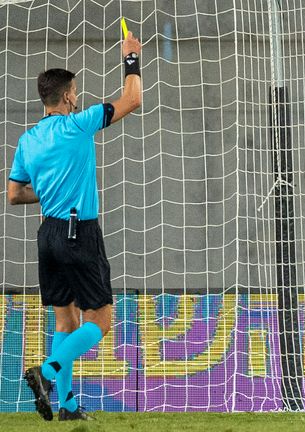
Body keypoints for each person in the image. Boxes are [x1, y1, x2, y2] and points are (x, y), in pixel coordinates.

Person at [8, 32, 142, 421]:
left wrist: (49, 193)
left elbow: (14, 195)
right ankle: (47, 371)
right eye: (76, 93)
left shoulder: (28, 140)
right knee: (100, 319)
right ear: (68, 97)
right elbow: (132, 99)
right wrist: (130, 59)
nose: (78, 98)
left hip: (47, 233)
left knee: (64, 319)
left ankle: (67, 407)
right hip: (77, 233)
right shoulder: (78, 124)